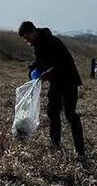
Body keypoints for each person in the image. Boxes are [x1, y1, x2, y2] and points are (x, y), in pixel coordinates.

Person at [18, 21, 86, 161]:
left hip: (68, 80)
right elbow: (40, 62)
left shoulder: (51, 41)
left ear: (33, 31)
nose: (27, 41)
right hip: (56, 81)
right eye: (25, 39)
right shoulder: (38, 45)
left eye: (27, 37)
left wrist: (46, 74)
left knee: (70, 114)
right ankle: (55, 143)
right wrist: (32, 70)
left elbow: (60, 64)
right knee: (52, 111)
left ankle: (80, 151)